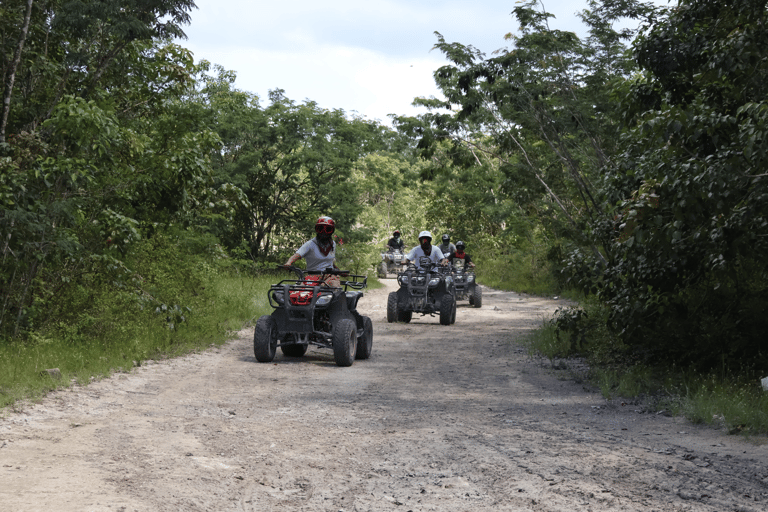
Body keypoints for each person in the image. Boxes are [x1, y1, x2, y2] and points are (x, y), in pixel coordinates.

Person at [284, 216, 342, 286]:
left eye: (328, 229)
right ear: (317, 229)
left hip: (329, 276)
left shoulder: (333, 244)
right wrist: (289, 263)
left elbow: (329, 261)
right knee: (302, 290)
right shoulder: (310, 244)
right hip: (312, 276)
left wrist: (338, 270)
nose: (324, 232)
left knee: (332, 286)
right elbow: (297, 255)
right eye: (320, 229)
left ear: (332, 231)